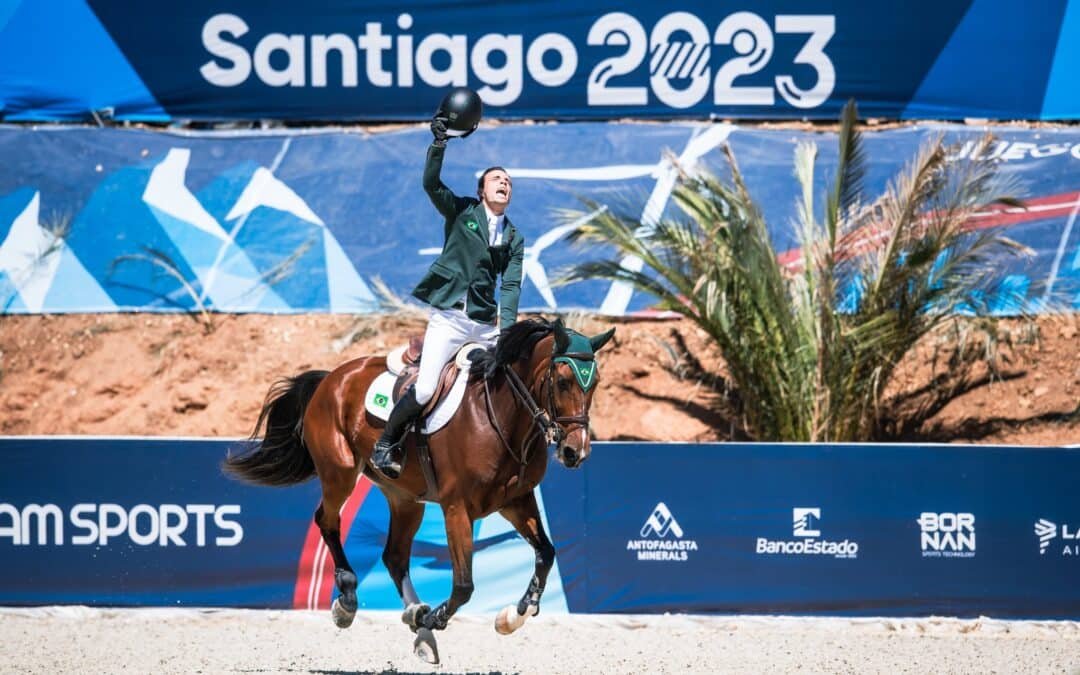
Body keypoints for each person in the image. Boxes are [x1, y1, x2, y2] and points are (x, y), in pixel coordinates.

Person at [372, 115, 525, 479]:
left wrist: (508, 329)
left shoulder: (515, 236)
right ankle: (386, 444)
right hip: (451, 319)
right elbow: (430, 183)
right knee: (425, 388)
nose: (504, 183)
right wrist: (440, 143)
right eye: (496, 179)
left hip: (485, 324)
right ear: (481, 191)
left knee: (513, 383)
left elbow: (510, 285)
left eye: (508, 181)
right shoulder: (461, 212)